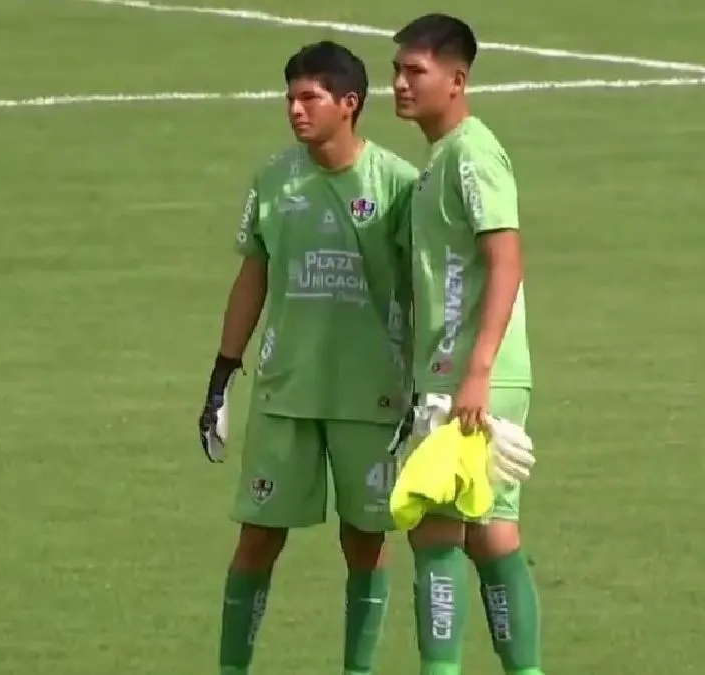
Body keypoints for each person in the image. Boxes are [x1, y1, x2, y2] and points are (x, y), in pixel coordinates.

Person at [198, 40, 420, 675]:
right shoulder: (274, 178)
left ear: (349, 104)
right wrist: (221, 376)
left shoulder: (398, 185)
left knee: (365, 540)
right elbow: (253, 277)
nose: (295, 110)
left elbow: (427, 283)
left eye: (309, 97)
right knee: (258, 538)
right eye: (289, 97)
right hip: (286, 390)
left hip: (370, 392)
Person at [390, 13, 545, 675]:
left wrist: (474, 374)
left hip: (476, 375)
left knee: (435, 531)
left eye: (413, 72)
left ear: (456, 80)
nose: (397, 83)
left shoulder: (473, 154)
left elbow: (506, 259)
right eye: (396, 70)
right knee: (489, 533)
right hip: (457, 372)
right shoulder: (439, 161)